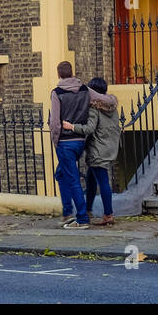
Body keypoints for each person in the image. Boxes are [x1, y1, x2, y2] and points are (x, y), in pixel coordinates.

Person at [63, 77, 121, 226]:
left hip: (98, 150)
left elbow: (89, 129)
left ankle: (108, 215)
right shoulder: (112, 107)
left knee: (103, 182)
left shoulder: (95, 108)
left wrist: (72, 127)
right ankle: (88, 210)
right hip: (109, 148)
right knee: (91, 180)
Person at [49, 60, 92, 229]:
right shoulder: (84, 89)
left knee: (73, 179)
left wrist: (55, 140)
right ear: (72, 72)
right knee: (61, 174)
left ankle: (81, 219)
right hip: (80, 140)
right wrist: (111, 100)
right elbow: (102, 99)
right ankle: (67, 212)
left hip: (65, 142)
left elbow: (55, 122)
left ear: (59, 74)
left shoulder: (57, 92)